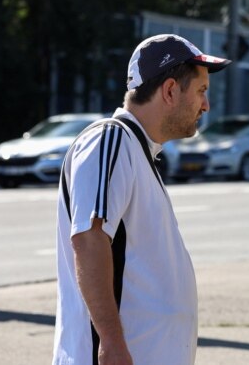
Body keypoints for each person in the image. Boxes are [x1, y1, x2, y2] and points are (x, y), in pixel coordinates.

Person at [52, 34, 230, 365]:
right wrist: (112, 344)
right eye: (202, 91)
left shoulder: (138, 152)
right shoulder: (110, 139)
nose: (206, 105)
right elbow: (90, 238)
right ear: (171, 90)